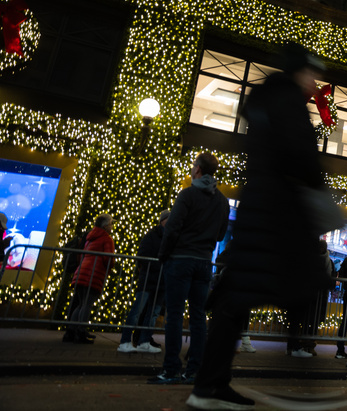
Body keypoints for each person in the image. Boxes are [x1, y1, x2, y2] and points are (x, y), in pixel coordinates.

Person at [187, 46, 332, 410]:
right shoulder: (288, 103)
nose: (314, 83)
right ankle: (296, 377)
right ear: (298, 73)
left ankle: (209, 385)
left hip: (259, 213)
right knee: (300, 288)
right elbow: (300, 155)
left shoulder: (265, 101)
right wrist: (319, 189)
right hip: (277, 217)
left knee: (238, 301)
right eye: (311, 74)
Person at [150, 152, 230, 384]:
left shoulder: (188, 194)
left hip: (180, 260)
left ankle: (171, 369)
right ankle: (194, 369)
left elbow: (172, 228)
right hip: (204, 262)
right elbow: (221, 234)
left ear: (197, 170)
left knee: (174, 315)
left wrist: (163, 255)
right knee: (198, 316)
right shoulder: (222, 201)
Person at [118, 210, 170, 353]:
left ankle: (144, 341)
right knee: (138, 310)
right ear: (163, 220)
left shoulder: (170, 237)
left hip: (160, 281)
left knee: (152, 313)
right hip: (150, 279)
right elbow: (142, 255)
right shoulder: (152, 236)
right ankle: (125, 341)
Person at [64, 214, 115, 344]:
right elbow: (108, 259)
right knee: (87, 304)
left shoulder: (90, 237)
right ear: (105, 226)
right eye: (110, 224)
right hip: (93, 274)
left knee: (80, 303)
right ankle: (81, 332)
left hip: (81, 273)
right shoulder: (107, 239)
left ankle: (71, 329)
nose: (111, 227)